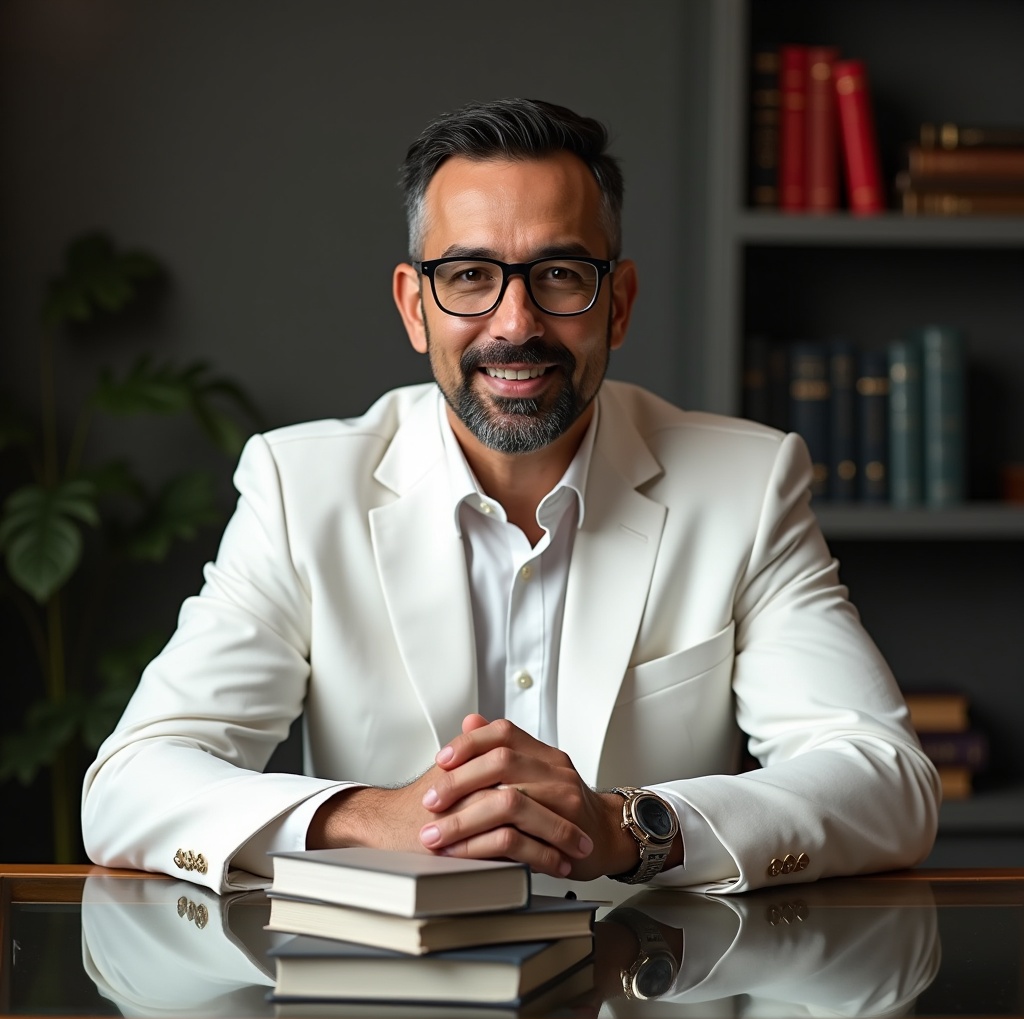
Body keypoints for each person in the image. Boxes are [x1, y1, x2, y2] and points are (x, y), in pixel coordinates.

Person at [82, 98, 940, 896]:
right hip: (384, 998)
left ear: (620, 304)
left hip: (648, 991)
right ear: (415, 307)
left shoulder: (746, 486)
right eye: (468, 277)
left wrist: (628, 827)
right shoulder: (300, 488)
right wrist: (372, 817)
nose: (514, 323)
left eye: (560, 274)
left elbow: (885, 779)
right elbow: (131, 782)